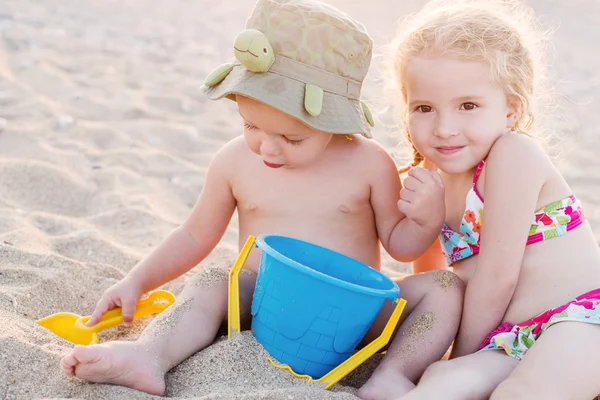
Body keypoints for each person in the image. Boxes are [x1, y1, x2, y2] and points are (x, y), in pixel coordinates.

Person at [59, 1, 464, 399]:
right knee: (214, 281)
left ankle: (393, 375)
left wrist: (425, 220)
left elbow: (400, 244)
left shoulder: (369, 163)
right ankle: (150, 355)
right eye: (251, 125)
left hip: (354, 314)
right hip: (260, 303)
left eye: (292, 138)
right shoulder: (234, 161)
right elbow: (194, 236)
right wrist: (138, 280)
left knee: (444, 288)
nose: (268, 149)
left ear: (336, 121)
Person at [383, 0, 600, 399]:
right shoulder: (431, 180)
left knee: (524, 392)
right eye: (424, 108)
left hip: (582, 319)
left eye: (468, 106)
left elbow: (498, 278)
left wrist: (462, 355)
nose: (445, 128)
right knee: (439, 386)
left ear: (510, 110)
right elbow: (439, 278)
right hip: (508, 340)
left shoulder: (513, 155)